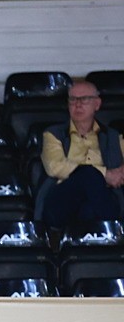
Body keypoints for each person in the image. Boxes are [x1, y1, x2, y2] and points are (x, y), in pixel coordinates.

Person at [39, 78, 124, 230]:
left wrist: (120, 173)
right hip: (63, 200)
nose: (77, 104)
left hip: (100, 199)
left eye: (84, 99)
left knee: (89, 209)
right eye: (73, 99)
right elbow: (55, 167)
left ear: (97, 104)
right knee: (88, 174)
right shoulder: (53, 134)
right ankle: (114, 230)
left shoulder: (113, 137)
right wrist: (105, 174)